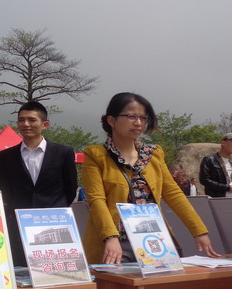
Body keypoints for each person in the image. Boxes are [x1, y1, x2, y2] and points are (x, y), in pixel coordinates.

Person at [82, 92, 219, 264]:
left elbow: (174, 194)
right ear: (111, 120)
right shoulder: (95, 155)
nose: (138, 123)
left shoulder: (153, 154)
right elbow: (96, 200)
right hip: (115, 243)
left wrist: (199, 231)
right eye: (131, 116)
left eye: (143, 118)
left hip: (153, 239)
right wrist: (110, 237)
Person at [0, 101, 78, 266]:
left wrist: (55, 207)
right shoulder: (6, 156)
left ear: (45, 124)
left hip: (54, 223)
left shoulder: (63, 152)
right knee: (21, 271)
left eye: (32, 120)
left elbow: (70, 188)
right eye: (21, 120)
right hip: (19, 225)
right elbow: (7, 190)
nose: (26, 124)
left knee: (57, 269)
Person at [199, 133, 232, 197]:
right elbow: (204, 180)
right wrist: (226, 188)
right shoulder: (209, 159)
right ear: (223, 143)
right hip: (217, 199)